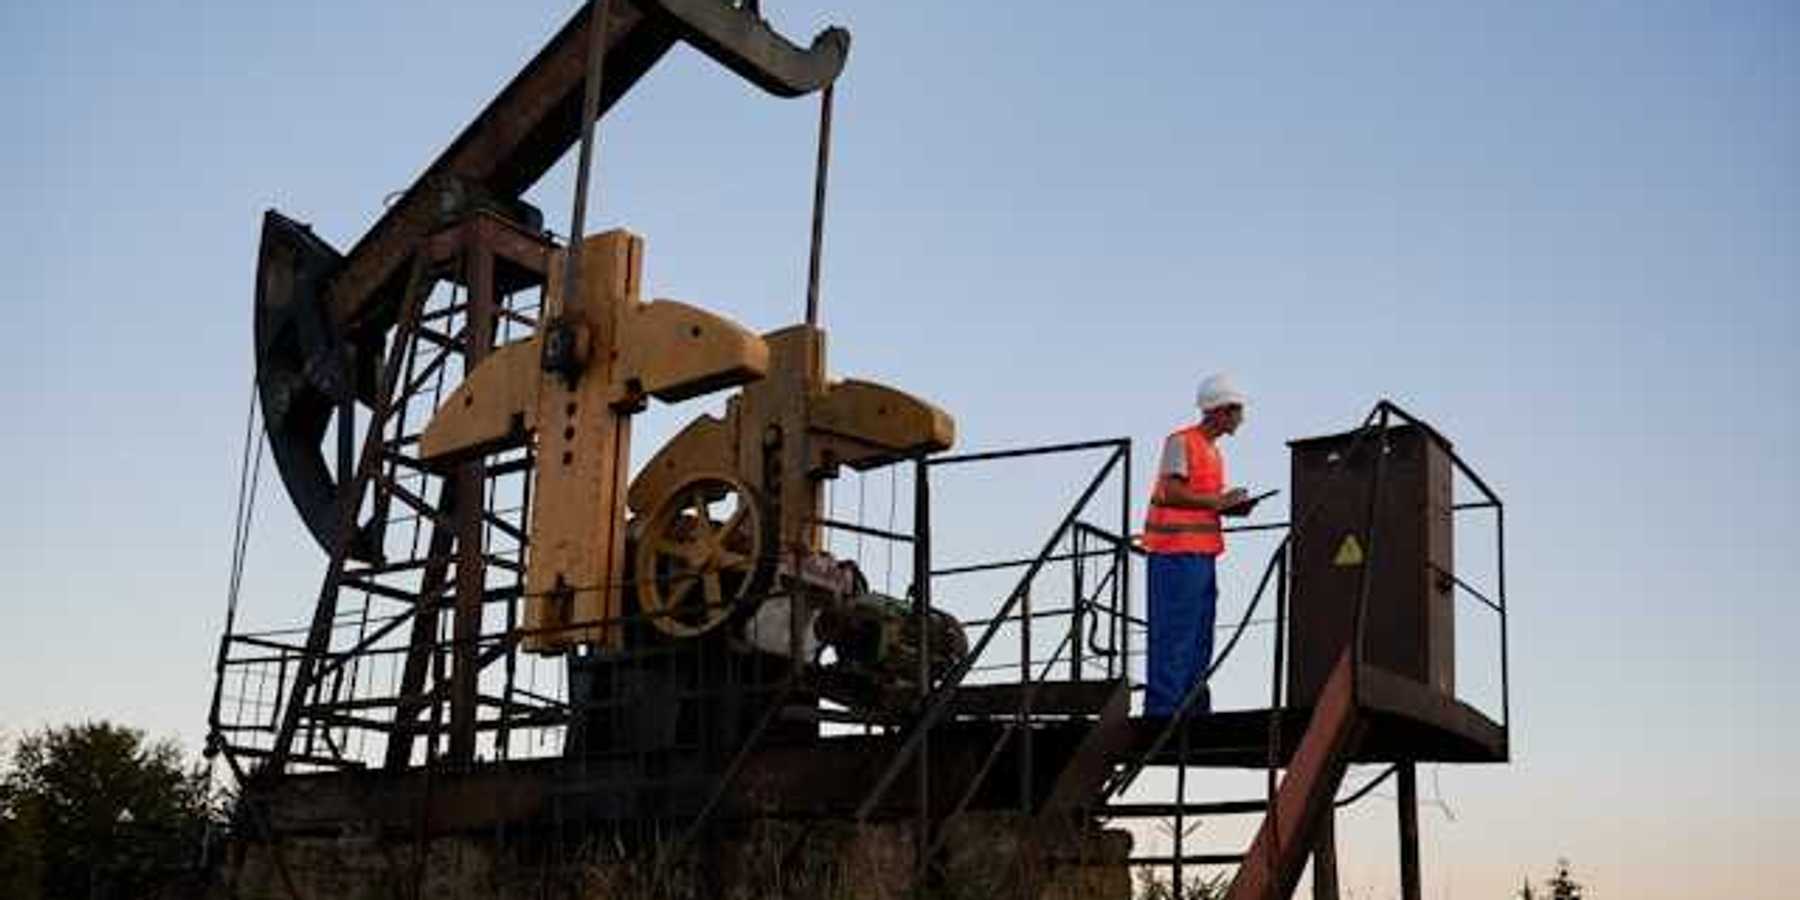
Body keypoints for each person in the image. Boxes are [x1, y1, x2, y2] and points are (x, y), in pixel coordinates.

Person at [1142, 373, 1262, 719]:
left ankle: (1192, 707)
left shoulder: (1212, 452)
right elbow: (1171, 492)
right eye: (1237, 410)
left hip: (1201, 554)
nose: (1241, 417)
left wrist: (1230, 506)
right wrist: (1218, 502)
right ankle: (1164, 711)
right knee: (1175, 633)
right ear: (1220, 410)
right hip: (1175, 553)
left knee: (1198, 637)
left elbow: (1201, 501)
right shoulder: (1182, 442)